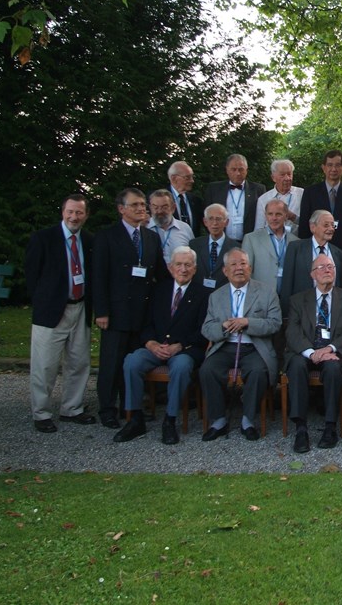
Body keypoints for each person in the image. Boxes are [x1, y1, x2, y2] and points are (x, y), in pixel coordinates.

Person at [115, 246, 211, 445]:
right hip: (155, 347)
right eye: (178, 264)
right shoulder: (158, 290)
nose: (183, 269)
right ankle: (135, 418)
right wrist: (150, 343)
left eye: (187, 265)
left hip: (185, 349)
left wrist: (180, 345)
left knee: (182, 367)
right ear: (170, 267)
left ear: (194, 268)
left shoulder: (204, 294)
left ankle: (170, 419)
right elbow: (145, 322)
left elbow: (203, 330)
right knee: (132, 362)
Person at [93, 188, 166, 429]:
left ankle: (131, 408)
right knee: (112, 364)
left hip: (142, 314)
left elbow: (162, 276)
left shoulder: (150, 237)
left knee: (132, 364)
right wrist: (101, 311)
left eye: (142, 204)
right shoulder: (107, 237)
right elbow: (99, 276)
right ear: (121, 209)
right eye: (134, 205)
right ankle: (107, 409)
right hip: (115, 313)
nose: (140, 208)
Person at [25, 194, 96, 433]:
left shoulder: (88, 240)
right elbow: (32, 276)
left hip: (81, 307)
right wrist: (44, 302)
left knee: (78, 361)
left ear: (86, 215)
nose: (74, 217)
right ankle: (42, 413)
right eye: (70, 212)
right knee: (45, 365)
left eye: (79, 213)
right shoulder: (43, 238)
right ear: (62, 212)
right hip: (52, 310)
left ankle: (72, 408)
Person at [199, 248, 282, 441]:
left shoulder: (266, 292)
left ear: (250, 268)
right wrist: (223, 326)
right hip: (224, 345)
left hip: (254, 347)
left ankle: (248, 420)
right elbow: (207, 328)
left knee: (257, 371)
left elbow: (275, 323)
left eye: (243, 263)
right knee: (207, 370)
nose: (239, 268)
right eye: (233, 264)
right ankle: (218, 419)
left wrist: (248, 322)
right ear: (225, 271)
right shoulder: (216, 296)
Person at [283, 254, 342, 452]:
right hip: (305, 351)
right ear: (312, 274)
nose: (327, 270)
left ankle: (330, 427)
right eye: (322, 267)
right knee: (298, 366)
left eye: (331, 267)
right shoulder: (298, 300)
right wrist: (311, 353)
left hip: (333, 352)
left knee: (334, 369)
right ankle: (301, 429)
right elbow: (292, 331)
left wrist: (329, 349)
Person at [297, 149, 342, 274]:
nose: (333, 169)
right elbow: (305, 223)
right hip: (316, 248)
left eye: (338, 165)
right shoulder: (310, 192)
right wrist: (304, 249)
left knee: (341, 286)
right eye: (330, 165)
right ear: (323, 168)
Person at [280, 210, 342, 316]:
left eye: (332, 225)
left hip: (330, 314)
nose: (330, 229)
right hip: (301, 313)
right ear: (313, 227)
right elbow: (287, 284)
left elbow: (340, 286)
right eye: (326, 225)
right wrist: (286, 315)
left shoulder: (338, 253)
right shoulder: (296, 248)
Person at [203, 153, 267, 240]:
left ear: (246, 170)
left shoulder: (258, 189)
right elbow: (206, 216)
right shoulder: (214, 189)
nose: (238, 173)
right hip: (221, 241)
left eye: (241, 169)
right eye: (233, 169)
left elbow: (263, 217)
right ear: (227, 170)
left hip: (249, 241)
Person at [241, 198, 299, 293]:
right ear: (265, 216)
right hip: (260, 294)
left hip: (288, 295)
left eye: (278, 214)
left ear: (286, 216)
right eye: (270, 214)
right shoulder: (251, 239)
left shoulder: (295, 241)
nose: (274, 218)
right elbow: (246, 270)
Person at [189, 203, 239, 291]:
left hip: (224, 294)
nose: (215, 223)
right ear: (205, 222)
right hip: (198, 294)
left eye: (219, 219)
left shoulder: (236, 248)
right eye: (211, 219)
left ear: (226, 222)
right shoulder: (194, 245)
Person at [254, 159, 304, 233]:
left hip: (297, 241)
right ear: (273, 177)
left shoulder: (302, 194)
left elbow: (311, 223)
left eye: (289, 174)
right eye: (282, 175)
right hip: (271, 242)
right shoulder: (263, 199)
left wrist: (293, 217)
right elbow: (259, 228)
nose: (287, 178)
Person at [147, 189, 195, 264]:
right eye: (155, 207)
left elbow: (192, 257)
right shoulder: (144, 228)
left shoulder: (185, 228)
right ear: (150, 208)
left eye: (164, 207)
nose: (159, 211)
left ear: (173, 208)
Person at [167, 161, 202, 232]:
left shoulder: (196, 201)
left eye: (192, 176)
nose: (192, 181)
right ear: (174, 178)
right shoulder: (160, 199)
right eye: (187, 177)